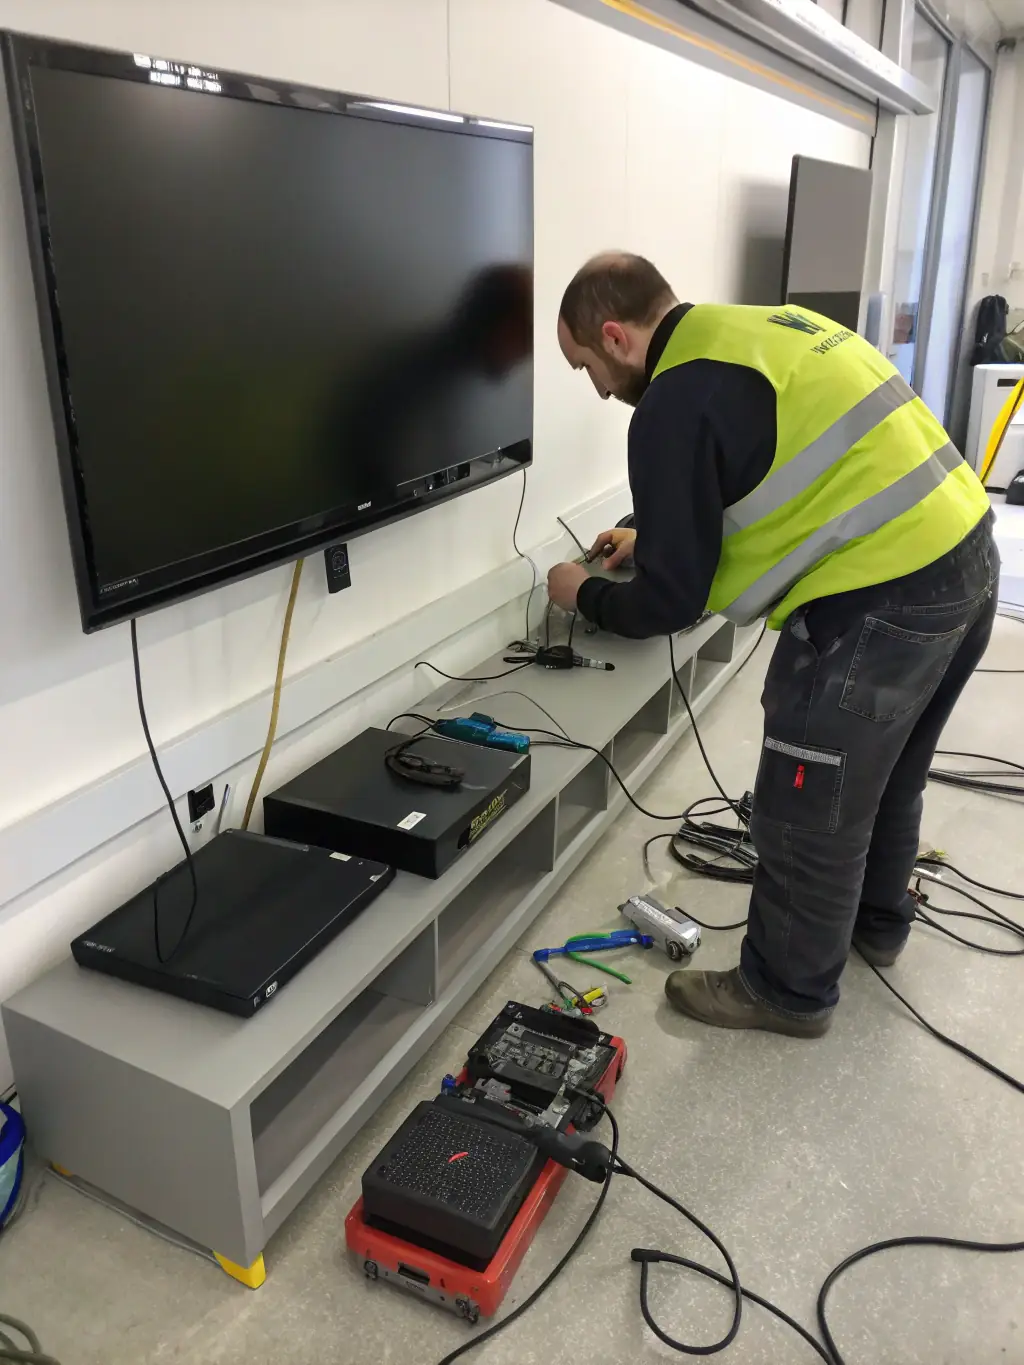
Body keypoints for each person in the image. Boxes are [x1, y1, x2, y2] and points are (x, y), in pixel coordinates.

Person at [547, 252, 997, 1039]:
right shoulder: (760, 328)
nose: (595, 387)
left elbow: (672, 601)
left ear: (614, 336)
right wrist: (649, 529)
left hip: (883, 593)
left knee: (806, 800)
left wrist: (578, 591)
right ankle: (878, 925)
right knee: (887, 778)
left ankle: (786, 989)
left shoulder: (669, 405)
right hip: (965, 553)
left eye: (585, 364)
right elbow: (774, 462)